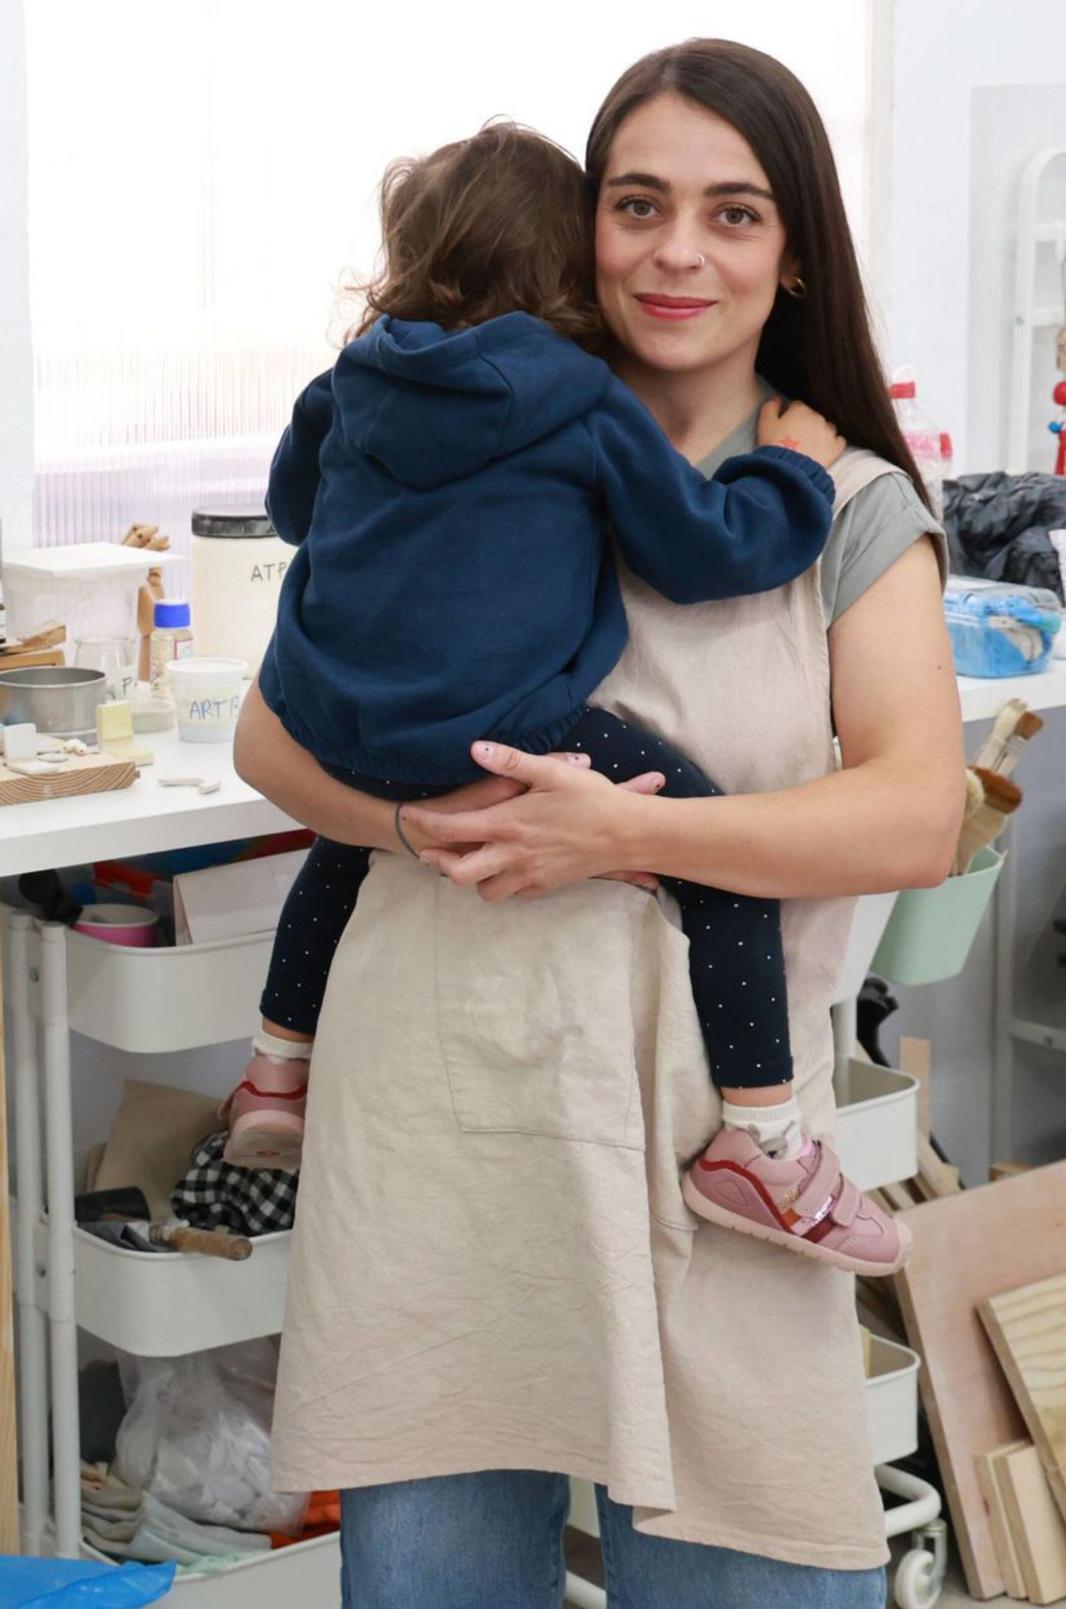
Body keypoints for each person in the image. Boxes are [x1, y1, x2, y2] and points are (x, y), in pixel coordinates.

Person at [237, 38, 963, 1609]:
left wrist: (620, 838)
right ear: (582, 225)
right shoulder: (468, 452)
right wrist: (448, 825)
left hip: (713, 1153)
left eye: (734, 212)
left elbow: (918, 813)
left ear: (796, 252)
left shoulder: (839, 507)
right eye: (637, 204)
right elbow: (265, 746)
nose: (678, 251)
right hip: (448, 1136)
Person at [220, 123, 902, 1276]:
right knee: (725, 873)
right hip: (507, 729)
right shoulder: (580, 402)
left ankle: (276, 1063)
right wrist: (788, 473)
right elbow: (703, 550)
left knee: (338, 850)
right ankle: (763, 1140)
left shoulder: (348, 382)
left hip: (336, 708)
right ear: (574, 265)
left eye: (730, 214)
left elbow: (293, 508)